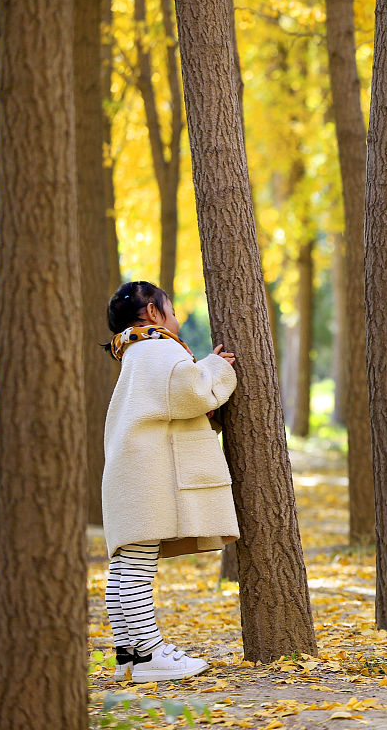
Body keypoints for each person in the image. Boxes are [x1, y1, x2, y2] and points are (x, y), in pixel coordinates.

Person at [101, 281, 238, 682]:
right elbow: (190, 392)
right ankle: (150, 654)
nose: (176, 318)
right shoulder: (157, 348)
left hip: (130, 473)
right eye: (172, 309)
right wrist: (216, 368)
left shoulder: (134, 353)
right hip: (147, 476)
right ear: (154, 313)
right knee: (138, 569)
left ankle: (128, 654)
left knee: (125, 566)